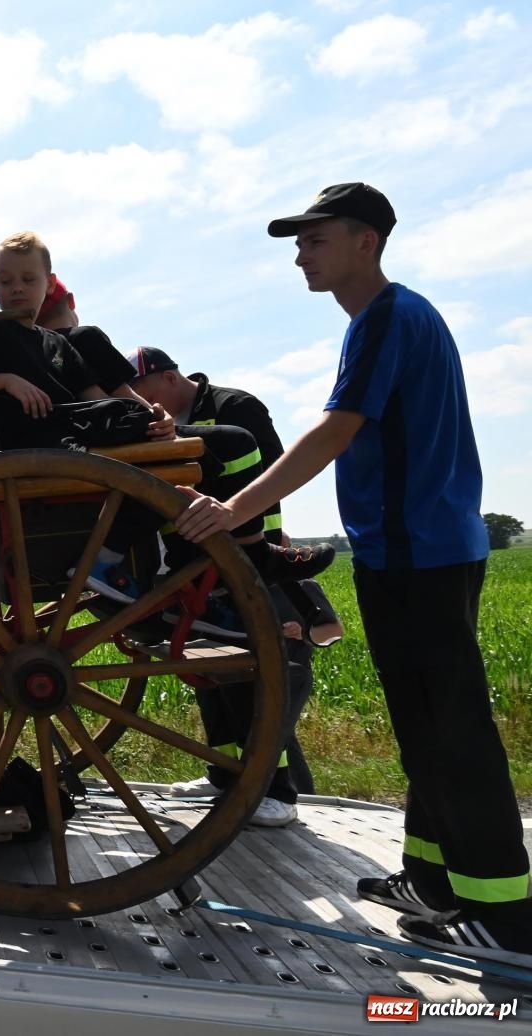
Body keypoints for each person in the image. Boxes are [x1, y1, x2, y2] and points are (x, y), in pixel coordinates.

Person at [175, 182, 531, 966]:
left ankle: (506, 915)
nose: (301, 254)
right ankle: (434, 881)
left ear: (364, 240)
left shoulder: (386, 320)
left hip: (419, 552)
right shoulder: (395, 318)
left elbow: (337, 428)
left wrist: (235, 508)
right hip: (419, 547)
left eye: (314, 238)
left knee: (453, 727)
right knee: (423, 722)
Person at [0, 232, 332, 597]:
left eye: (28, 280)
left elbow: (98, 398)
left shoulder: (57, 344)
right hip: (50, 448)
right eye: (8, 281)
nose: (17, 289)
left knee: (235, 442)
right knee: (229, 444)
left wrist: (154, 415)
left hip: (78, 437)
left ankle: (235, 552)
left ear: (48, 284)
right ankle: (224, 557)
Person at [127, 349, 343, 819]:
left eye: (142, 393)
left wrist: (259, 550)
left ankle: (275, 791)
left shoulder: (235, 409)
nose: (139, 404)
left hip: (252, 554)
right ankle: (224, 774)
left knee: (257, 675)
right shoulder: (171, 416)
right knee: (210, 671)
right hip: (203, 555)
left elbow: (270, 480)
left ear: (169, 377)